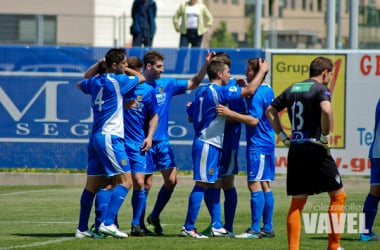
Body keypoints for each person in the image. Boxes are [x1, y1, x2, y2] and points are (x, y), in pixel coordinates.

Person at [181, 58, 269, 238]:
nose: (230, 75)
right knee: (202, 183)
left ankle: (218, 226)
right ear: (220, 74)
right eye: (228, 72)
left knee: (211, 183)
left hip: (208, 142)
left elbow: (191, 116)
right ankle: (189, 227)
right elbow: (250, 90)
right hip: (208, 143)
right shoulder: (219, 91)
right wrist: (263, 71)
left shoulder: (201, 91)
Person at [265, 56, 346, 250]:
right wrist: (325, 137)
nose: (330, 78)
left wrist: (284, 138)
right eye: (330, 74)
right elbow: (326, 110)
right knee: (338, 196)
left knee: (298, 201)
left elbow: (270, 111)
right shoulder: (321, 89)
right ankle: (334, 246)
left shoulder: (293, 88)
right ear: (325, 73)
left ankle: (293, 248)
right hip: (316, 148)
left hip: (296, 148)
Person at [75, 48, 145, 239]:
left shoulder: (95, 81)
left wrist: (101, 64)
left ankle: (82, 228)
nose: (127, 66)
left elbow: (80, 83)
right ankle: (108, 223)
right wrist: (123, 70)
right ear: (114, 66)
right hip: (110, 137)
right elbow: (141, 78)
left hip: (96, 137)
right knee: (126, 181)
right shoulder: (118, 80)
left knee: (93, 185)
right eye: (123, 63)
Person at [142, 50, 213, 235]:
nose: (162, 70)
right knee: (146, 183)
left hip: (162, 141)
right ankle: (138, 223)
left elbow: (194, 83)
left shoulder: (167, 84)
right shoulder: (138, 85)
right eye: (159, 67)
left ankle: (154, 215)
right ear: (148, 66)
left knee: (172, 180)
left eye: (163, 66)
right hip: (144, 142)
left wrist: (206, 65)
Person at [216, 58, 275, 239]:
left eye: (249, 70)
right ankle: (268, 227)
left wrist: (230, 113)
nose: (246, 73)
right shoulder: (267, 89)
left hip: (258, 143)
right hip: (267, 142)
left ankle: (255, 229)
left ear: (256, 72)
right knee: (265, 183)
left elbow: (254, 120)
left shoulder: (258, 94)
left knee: (254, 183)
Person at [123, 56, 159, 236]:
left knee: (139, 182)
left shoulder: (147, 90)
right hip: (119, 141)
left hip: (138, 142)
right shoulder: (118, 87)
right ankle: (108, 222)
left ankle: (136, 224)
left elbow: (154, 115)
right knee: (115, 182)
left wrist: (150, 137)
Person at [360, 98, 380, 241]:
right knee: (374, 192)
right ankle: (365, 232)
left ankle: (365, 232)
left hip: (377, 152)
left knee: (375, 192)